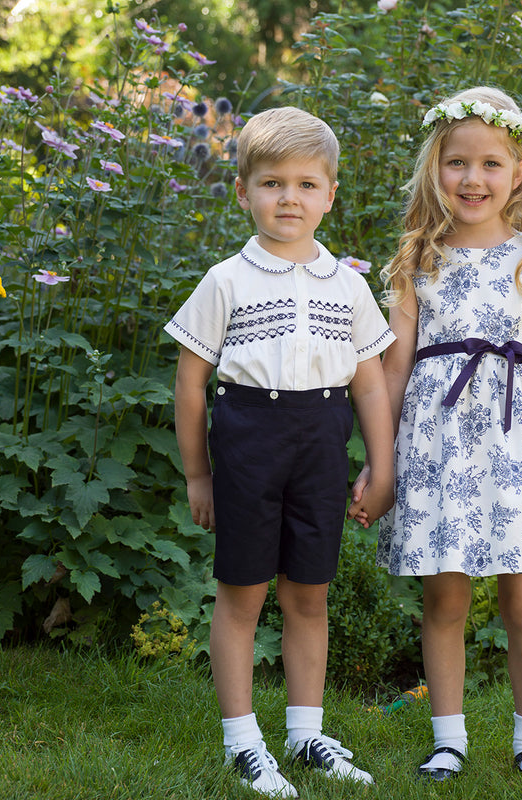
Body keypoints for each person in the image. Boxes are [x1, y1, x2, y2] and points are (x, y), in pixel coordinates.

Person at [165, 106, 396, 799]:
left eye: (304, 184)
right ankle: (244, 743)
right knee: (243, 594)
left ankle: (304, 733)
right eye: (271, 183)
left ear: (329, 194)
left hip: (322, 442)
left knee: (310, 593)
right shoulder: (225, 281)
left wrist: (381, 466)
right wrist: (197, 474)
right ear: (243, 192)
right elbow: (190, 382)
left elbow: (373, 384)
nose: (288, 198)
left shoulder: (348, 286)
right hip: (248, 443)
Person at [354, 86, 522, 785]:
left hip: (515, 454)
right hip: (437, 455)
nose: (472, 179)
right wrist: (379, 465)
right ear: (434, 169)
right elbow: (392, 373)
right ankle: (447, 738)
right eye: (456, 163)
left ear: (519, 172)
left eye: (489, 164)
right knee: (444, 601)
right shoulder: (418, 260)